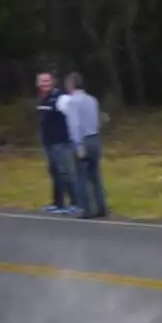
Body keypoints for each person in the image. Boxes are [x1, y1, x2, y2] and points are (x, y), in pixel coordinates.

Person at [34, 72, 82, 216]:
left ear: (53, 82)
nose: (45, 83)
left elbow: (74, 116)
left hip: (61, 142)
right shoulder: (42, 99)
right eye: (42, 81)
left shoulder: (61, 98)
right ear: (38, 83)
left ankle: (76, 203)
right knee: (55, 173)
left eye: (48, 81)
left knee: (65, 172)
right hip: (48, 143)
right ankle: (58, 203)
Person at [65, 72, 108, 218]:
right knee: (95, 176)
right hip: (95, 138)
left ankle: (86, 209)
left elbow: (74, 125)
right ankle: (102, 207)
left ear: (71, 84)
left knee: (81, 176)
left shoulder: (72, 102)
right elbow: (99, 119)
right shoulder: (92, 100)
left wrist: (78, 145)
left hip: (83, 140)